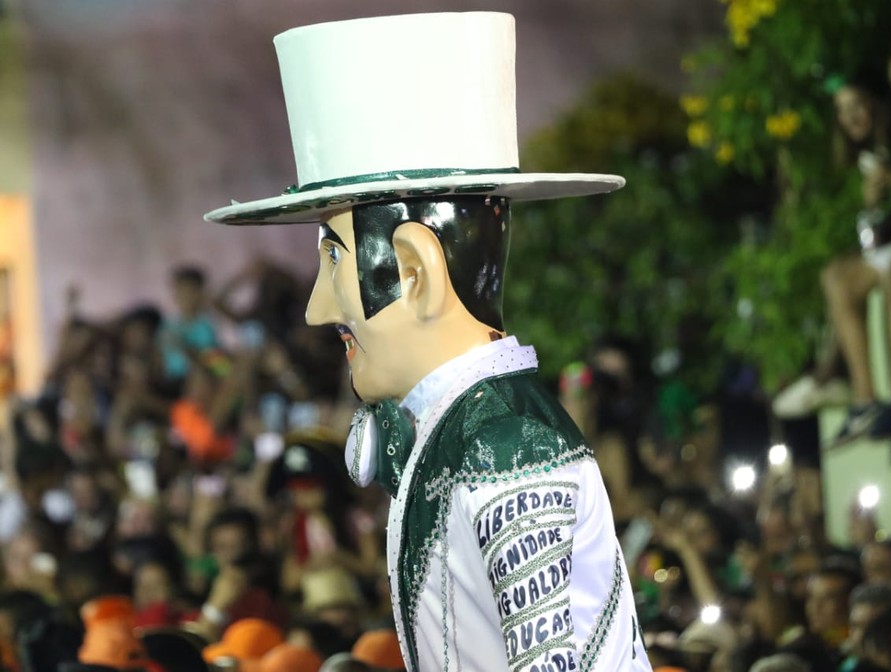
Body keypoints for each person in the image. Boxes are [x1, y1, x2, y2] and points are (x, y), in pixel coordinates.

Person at [204, 11, 648, 671]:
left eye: (334, 259)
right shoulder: (462, 430)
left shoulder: (507, 444)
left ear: (414, 271)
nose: (317, 309)